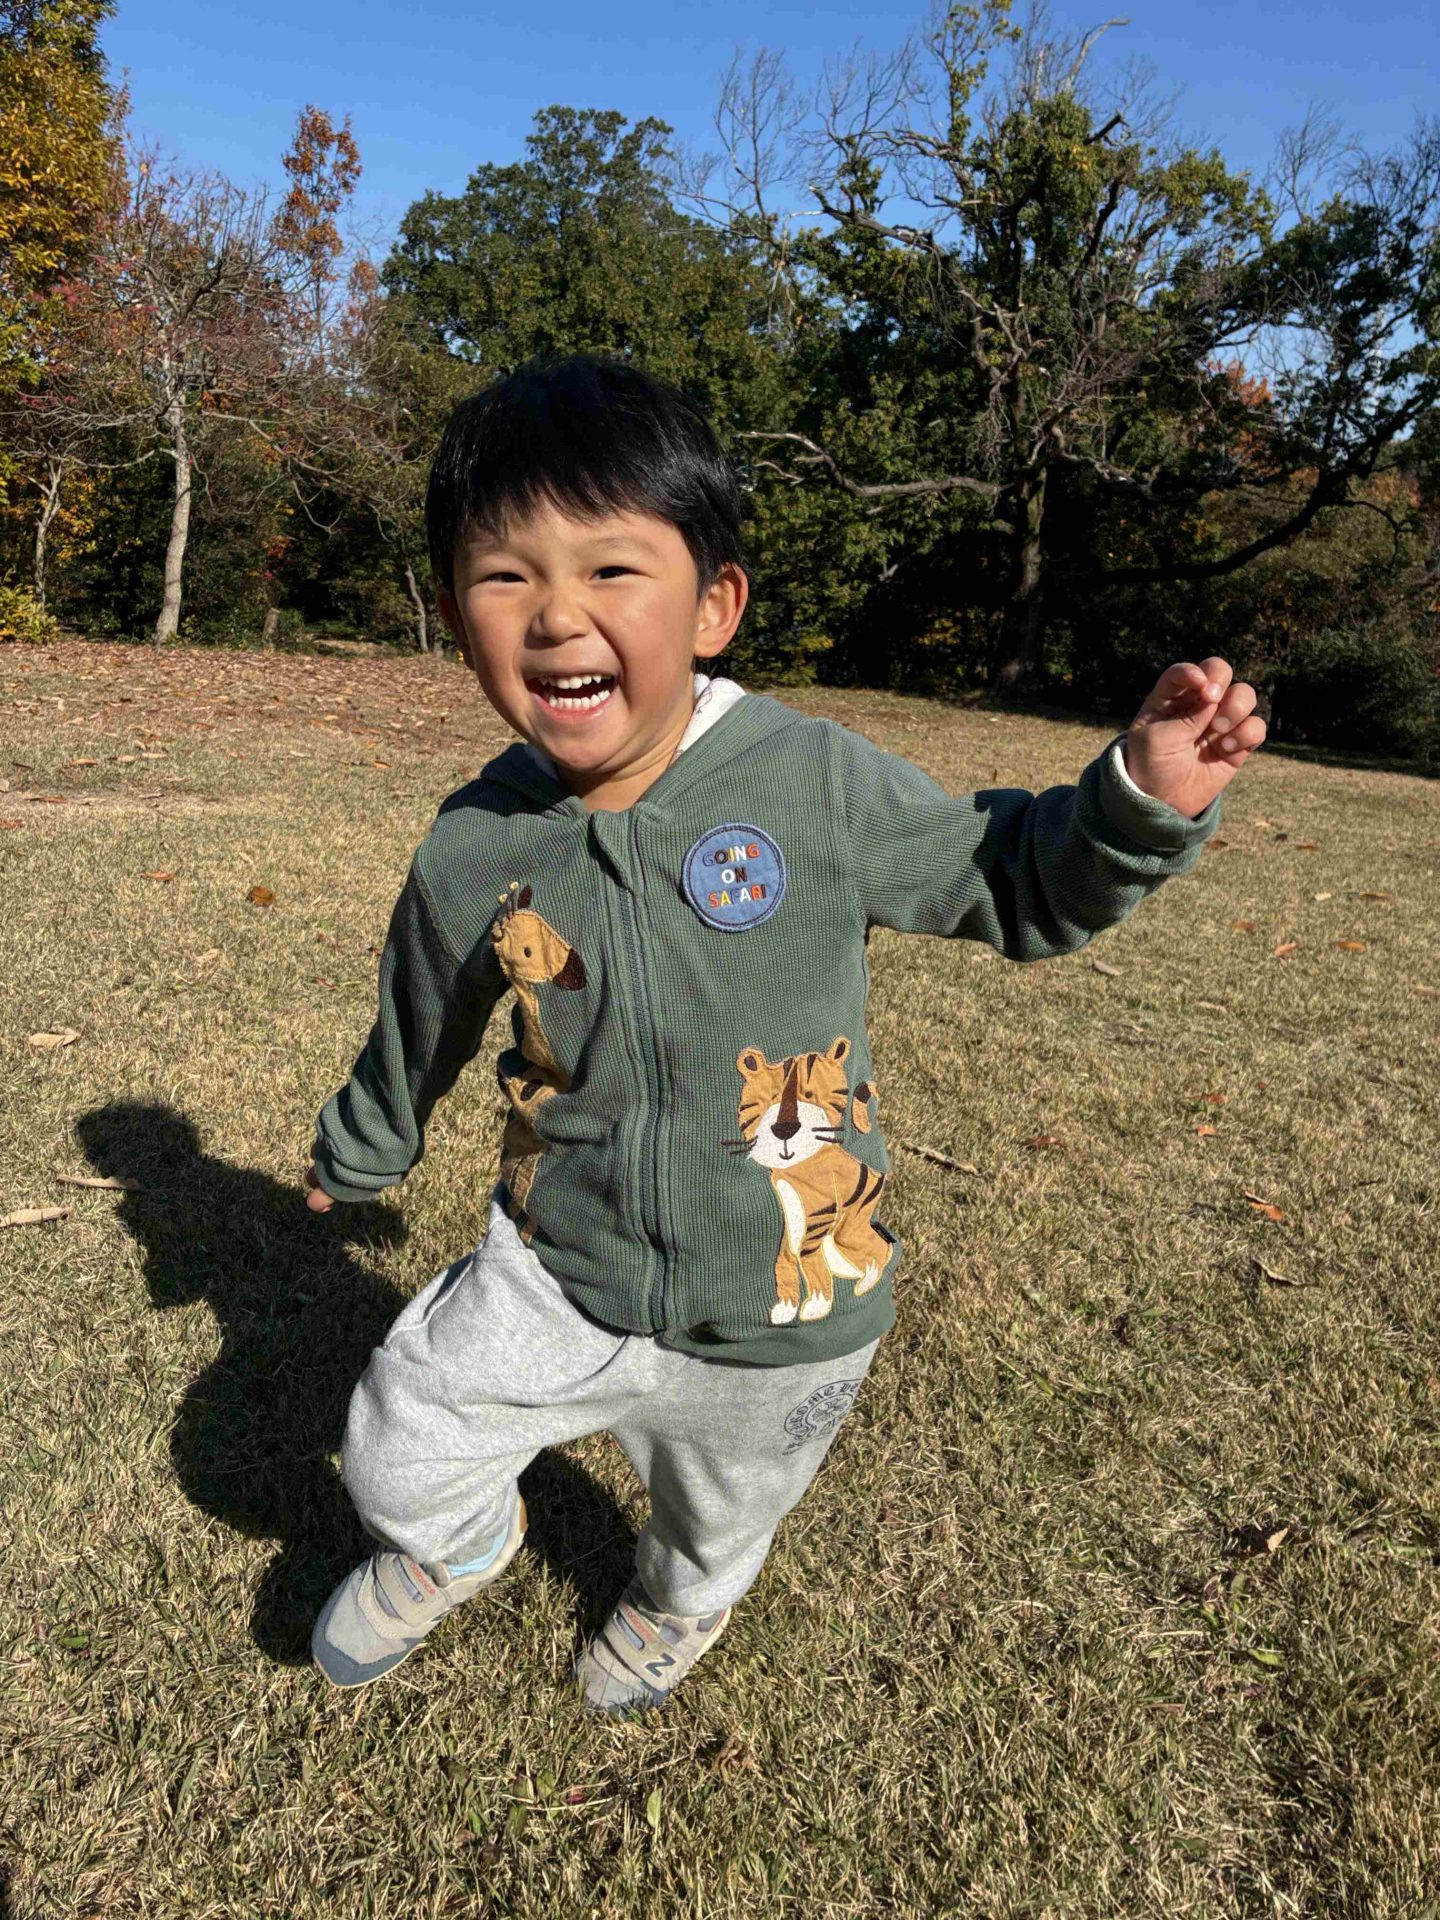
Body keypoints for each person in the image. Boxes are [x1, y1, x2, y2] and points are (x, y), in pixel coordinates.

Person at [305, 351, 1266, 1715]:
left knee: (720, 1516)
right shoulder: (478, 841)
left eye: (611, 570)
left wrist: (1132, 805)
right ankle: (457, 1545)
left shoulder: (808, 782)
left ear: (714, 606)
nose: (557, 615)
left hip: (786, 1302)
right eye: (505, 577)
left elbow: (1009, 881)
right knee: (397, 1441)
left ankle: (677, 1603)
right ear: (460, 620)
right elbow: (423, 1009)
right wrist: (366, 1140)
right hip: (559, 1262)